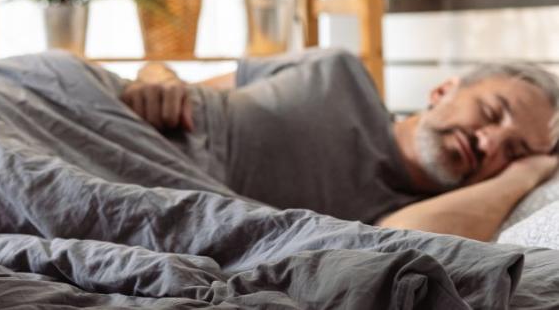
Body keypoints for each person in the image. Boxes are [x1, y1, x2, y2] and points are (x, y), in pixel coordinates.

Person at [119, 48, 559, 241]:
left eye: (514, 149)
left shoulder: (411, 213)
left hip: (145, 200)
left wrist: (528, 172)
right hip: (118, 122)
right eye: (491, 112)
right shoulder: (336, 70)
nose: (489, 142)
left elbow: (403, 242)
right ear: (443, 90)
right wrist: (158, 78)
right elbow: (174, 79)